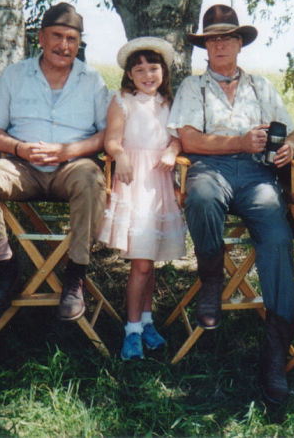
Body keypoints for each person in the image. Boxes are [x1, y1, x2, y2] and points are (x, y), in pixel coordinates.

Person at [168, 4, 294, 403]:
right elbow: (189, 139)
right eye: (213, 38)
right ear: (205, 46)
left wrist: (287, 151)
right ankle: (211, 278)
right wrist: (239, 141)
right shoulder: (194, 87)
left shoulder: (261, 87)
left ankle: (275, 356)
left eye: (228, 37)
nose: (220, 43)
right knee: (203, 196)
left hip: (258, 175)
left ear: (240, 44)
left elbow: (292, 135)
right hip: (211, 166)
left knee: (278, 239)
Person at [0, 2, 109, 321]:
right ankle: (6, 267)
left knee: (92, 178)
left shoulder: (92, 80)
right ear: (40, 37)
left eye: (72, 39)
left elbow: (107, 137)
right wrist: (21, 148)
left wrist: (69, 151)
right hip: (21, 167)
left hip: (73, 167)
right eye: (57, 36)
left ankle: (75, 276)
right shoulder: (16, 75)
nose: (64, 46)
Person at [98, 37, 186, 360]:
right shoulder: (123, 100)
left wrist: (172, 151)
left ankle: (147, 322)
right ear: (130, 76)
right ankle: (132, 329)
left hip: (159, 186)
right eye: (140, 70)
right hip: (134, 183)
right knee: (143, 264)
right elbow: (111, 139)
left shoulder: (169, 104)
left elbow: (178, 139)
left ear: (163, 71)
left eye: (154, 68)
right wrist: (119, 154)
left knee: (149, 261)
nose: (148, 75)